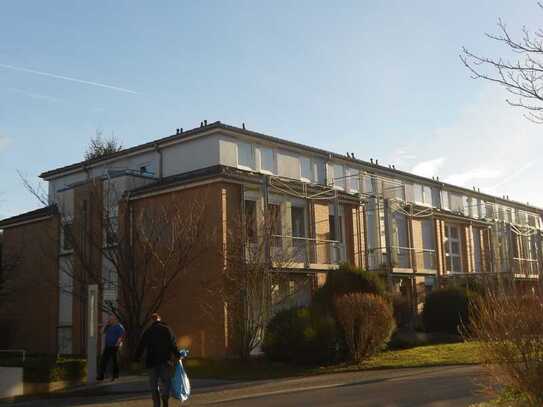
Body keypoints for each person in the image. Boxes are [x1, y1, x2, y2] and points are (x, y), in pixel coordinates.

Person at [134, 313, 179, 407]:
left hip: (151, 362)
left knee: (154, 385)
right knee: (166, 381)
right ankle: (165, 396)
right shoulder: (167, 329)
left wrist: (136, 359)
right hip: (165, 360)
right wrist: (178, 355)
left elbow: (141, 346)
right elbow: (173, 344)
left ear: (152, 321)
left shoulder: (148, 331)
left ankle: (156, 405)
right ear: (160, 319)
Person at [97, 315, 125, 381]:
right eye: (109, 319)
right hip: (108, 346)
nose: (110, 320)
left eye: (111, 319)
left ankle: (115, 375)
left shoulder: (119, 327)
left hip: (115, 346)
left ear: (115, 320)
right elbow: (101, 332)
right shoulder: (108, 326)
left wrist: (117, 344)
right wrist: (105, 325)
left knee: (114, 361)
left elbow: (121, 336)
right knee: (103, 360)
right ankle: (101, 376)